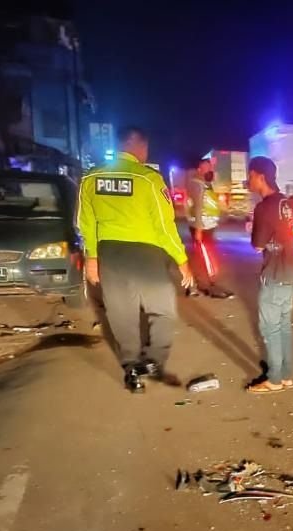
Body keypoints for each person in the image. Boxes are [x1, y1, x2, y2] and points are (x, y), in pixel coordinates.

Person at [77, 126, 193, 393]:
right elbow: (165, 227)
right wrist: (182, 261)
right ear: (139, 146)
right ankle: (153, 360)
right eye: (145, 148)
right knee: (162, 310)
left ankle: (131, 369)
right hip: (147, 256)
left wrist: (92, 258)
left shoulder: (91, 178)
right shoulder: (149, 179)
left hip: (110, 254)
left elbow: (85, 223)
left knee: (121, 314)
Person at [245, 155, 293, 394]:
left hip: (275, 277)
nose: (249, 180)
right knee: (284, 327)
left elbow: (257, 245)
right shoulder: (285, 203)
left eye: (250, 176)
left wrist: (252, 228)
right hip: (291, 275)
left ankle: (274, 379)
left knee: (271, 329)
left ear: (260, 176)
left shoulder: (264, 207)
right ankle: (286, 375)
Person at [186, 157, 234, 299]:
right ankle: (209, 286)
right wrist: (199, 230)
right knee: (207, 258)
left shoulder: (207, 184)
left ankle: (198, 286)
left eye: (210, 168)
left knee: (201, 257)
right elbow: (198, 207)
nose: (210, 171)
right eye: (206, 168)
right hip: (202, 227)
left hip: (208, 227)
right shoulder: (197, 184)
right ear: (199, 169)